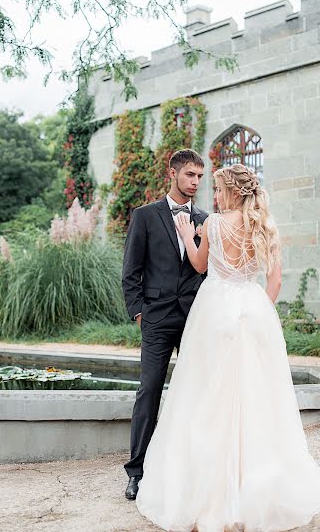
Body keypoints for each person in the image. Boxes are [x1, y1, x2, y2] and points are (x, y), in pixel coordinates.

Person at [136, 163, 320, 532]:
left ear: (232, 192)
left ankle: (209, 494)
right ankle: (255, 489)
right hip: (252, 312)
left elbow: (198, 265)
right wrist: (260, 311)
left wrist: (185, 232)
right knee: (257, 398)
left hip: (214, 314)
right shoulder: (267, 225)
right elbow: (273, 280)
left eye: (218, 189)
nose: (213, 195)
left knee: (208, 396)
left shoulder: (212, 223)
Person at [122, 148, 209, 500]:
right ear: (171, 173)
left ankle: (193, 469)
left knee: (199, 390)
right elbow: (131, 270)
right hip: (157, 317)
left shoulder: (205, 218)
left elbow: (207, 269)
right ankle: (136, 472)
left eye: (200, 177)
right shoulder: (144, 216)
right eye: (190, 175)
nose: (196, 182)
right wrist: (140, 312)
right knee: (149, 390)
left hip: (195, 317)